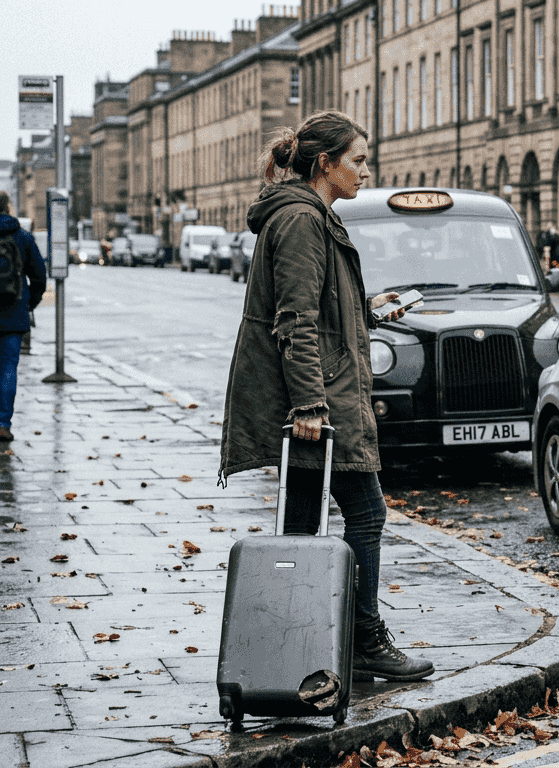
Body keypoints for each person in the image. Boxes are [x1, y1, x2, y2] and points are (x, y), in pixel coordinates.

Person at [218, 111, 434, 682]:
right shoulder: (300, 220)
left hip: (322, 398)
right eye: (358, 161)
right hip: (322, 404)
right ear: (326, 164)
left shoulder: (306, 215)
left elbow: (317, 305)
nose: (367, 171)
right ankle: (361, 638)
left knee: (300, 524)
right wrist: (310, 406)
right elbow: (296, 322)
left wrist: (367, 308)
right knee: (366, 512)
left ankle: (296, 646)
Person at [0, 191, 46, 443]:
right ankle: (3, 424)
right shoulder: (23, 238)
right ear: (8, 208)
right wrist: (28, 305)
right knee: (8, 368)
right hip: (14, 312)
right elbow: (39, 276)